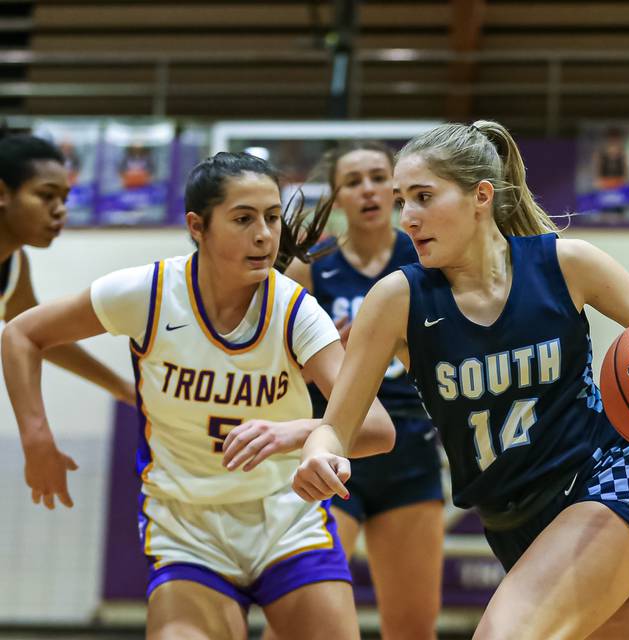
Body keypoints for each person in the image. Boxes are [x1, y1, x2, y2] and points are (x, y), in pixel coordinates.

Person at [289, 121, 629, 639]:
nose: (409, 218)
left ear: (480, 196)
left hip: (602, 488)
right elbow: (337, 426)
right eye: (403, 201)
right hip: (513, 525)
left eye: (423, 197)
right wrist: (319, 451)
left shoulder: (565, 263)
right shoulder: (395, 300)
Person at [2, 151, 395, 640]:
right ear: (197, 226)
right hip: (187, 530)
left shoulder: (295, 310)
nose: (264, 234)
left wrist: (294, 432)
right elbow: (20, 334)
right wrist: (36, 439)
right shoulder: (147, 292)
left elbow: (377, 428)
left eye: (272, 218)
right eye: (244, 219)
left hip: (285, 520)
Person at [273, 140, 444, 640]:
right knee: (300, 623)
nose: (367, 189)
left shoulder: (425, 257)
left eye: (376, 177)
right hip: (335, 444)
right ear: (338, 197)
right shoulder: (313, 266)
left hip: (410, 448)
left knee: (413, 627)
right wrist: (336, 358)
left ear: (394, 191)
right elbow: (278, 372)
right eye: (353, 181)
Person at [0, 133, 133, 405]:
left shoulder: (14, 263)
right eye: (46, 195)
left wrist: (125, 390)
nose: (60, 211)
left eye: (64, 198)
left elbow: (40, 336)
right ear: (2, 193)